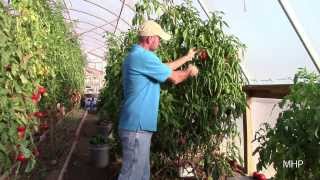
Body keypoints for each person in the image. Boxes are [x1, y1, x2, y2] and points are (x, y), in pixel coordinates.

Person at [118, 20, 199, 180]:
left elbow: (164, 67)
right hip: (137, 127)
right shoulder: (143, 57)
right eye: (158, 38)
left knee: (141, 174)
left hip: (137, 126)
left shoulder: (137, 56)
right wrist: (189, 72)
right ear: (149, 39)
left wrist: (187, 58)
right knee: (132, 175)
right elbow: (174, 77)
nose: (160, 42)